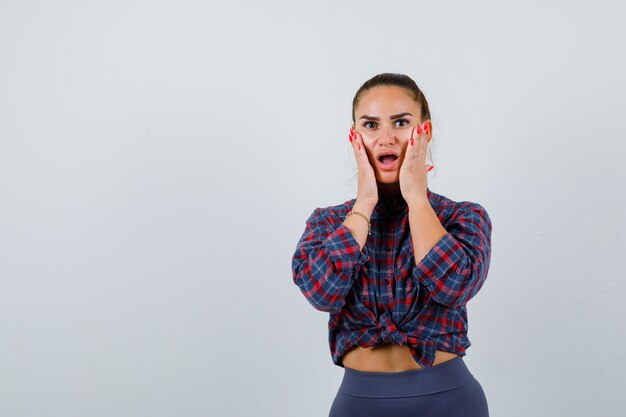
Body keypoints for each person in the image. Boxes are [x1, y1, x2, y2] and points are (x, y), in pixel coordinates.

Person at [291, 73, 493, 417]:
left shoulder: (462, 216)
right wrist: (364, 202)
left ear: (424, 132)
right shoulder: (327, 223)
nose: (386, 138)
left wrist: (416, 197)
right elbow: (320, 293)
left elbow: (454, 287)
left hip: (451, 401)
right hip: (360, 403)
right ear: (355, 137)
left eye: (401, 122)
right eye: (371, 125)